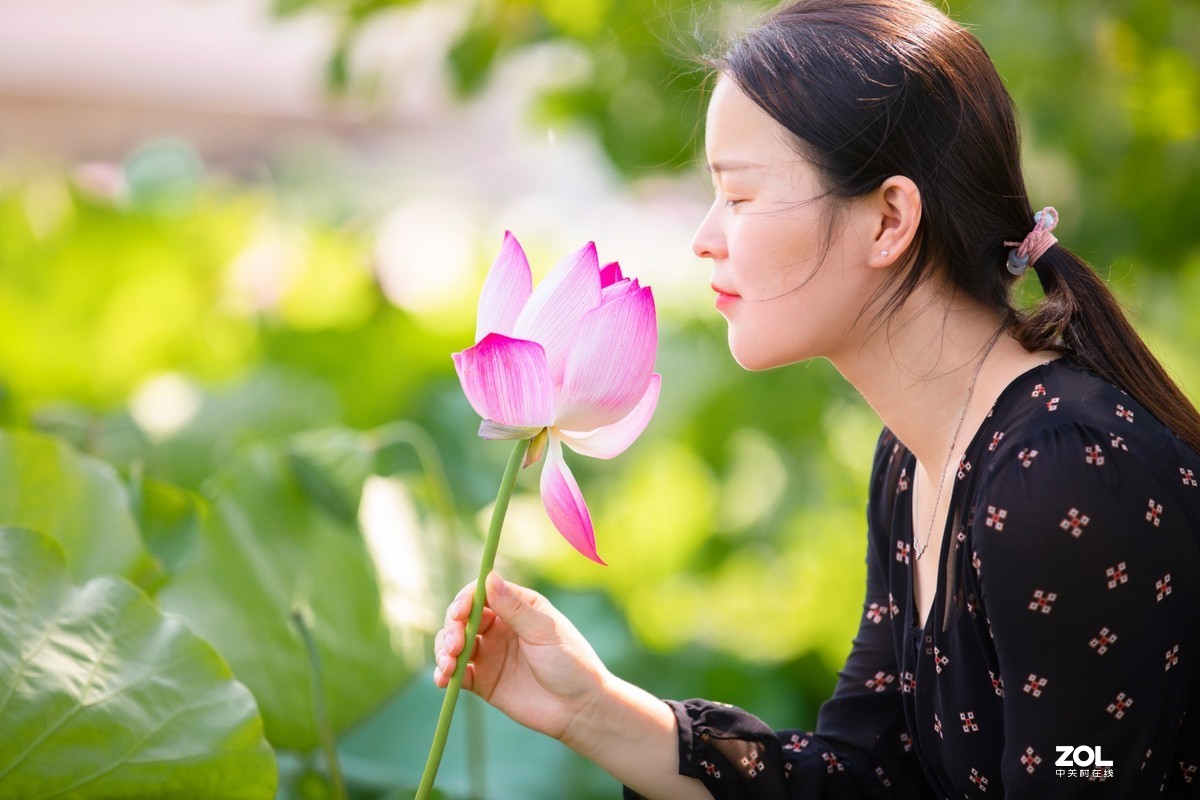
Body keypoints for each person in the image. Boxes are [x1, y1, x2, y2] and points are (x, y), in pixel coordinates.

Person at [433, 0, 1200, 796]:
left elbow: (1085, 771)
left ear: (889, 219)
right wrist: (590, 710)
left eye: (739, 195)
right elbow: (867, 776)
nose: (704, 236)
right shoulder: (915, 458)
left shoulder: (1064, 476)